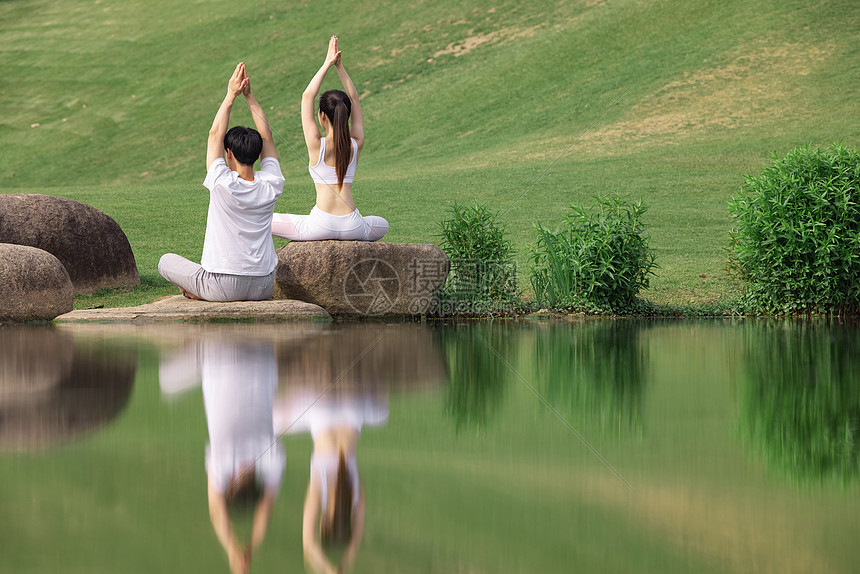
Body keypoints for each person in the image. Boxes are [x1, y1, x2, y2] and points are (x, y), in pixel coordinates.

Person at [159, 335, 286, 574]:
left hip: (264, 352)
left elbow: (266, 507)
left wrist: (250, 547)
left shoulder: (273, 459)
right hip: (215, 351)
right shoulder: (222, 460)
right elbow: (216, 509)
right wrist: (232, 547)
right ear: (231, 487)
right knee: (167, 380)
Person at [159, 62, 285, 301]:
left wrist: (231, 95)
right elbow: (267, 137)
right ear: (259, 155)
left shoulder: (221, 181)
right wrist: (250, 98)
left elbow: (214, 135)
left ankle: (196, 291)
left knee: (166, 261)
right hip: (263, 286)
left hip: (223, 287)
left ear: (229, 153)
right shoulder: (272, 183)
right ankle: (197, 290)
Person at [271, 36, 388, 242]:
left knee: (264, 219)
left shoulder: (317, 144)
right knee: (382, 224)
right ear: (348, 115)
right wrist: (340, 67)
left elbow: (307, 96)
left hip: (320, 225)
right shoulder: (356, 143)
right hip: (353, 226)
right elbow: (354, 98)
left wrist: (327, 63)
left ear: (322, 115)